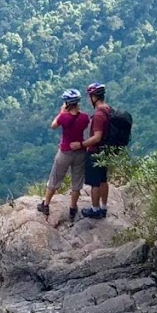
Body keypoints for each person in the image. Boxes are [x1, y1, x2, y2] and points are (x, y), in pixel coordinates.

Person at [38, 88, 88, 223]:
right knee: (77, 181)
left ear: (66, 103)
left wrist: (61, 112)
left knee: (55, 178)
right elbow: (84, 126)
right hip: (80, 152)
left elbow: (53, 126)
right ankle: (72, 209)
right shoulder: (84, 117)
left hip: (65, 151)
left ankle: (46, 205)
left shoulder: (64, 117)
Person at [79, 82, 113, 218]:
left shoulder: (99, 114)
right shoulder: (108, 109)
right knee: (103, 179)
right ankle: (104, 207)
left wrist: (82, 144)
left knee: (95, 182)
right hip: (106, 150)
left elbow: (97, 137)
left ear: (94, 97)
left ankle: (95, 209)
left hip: (95, 151)